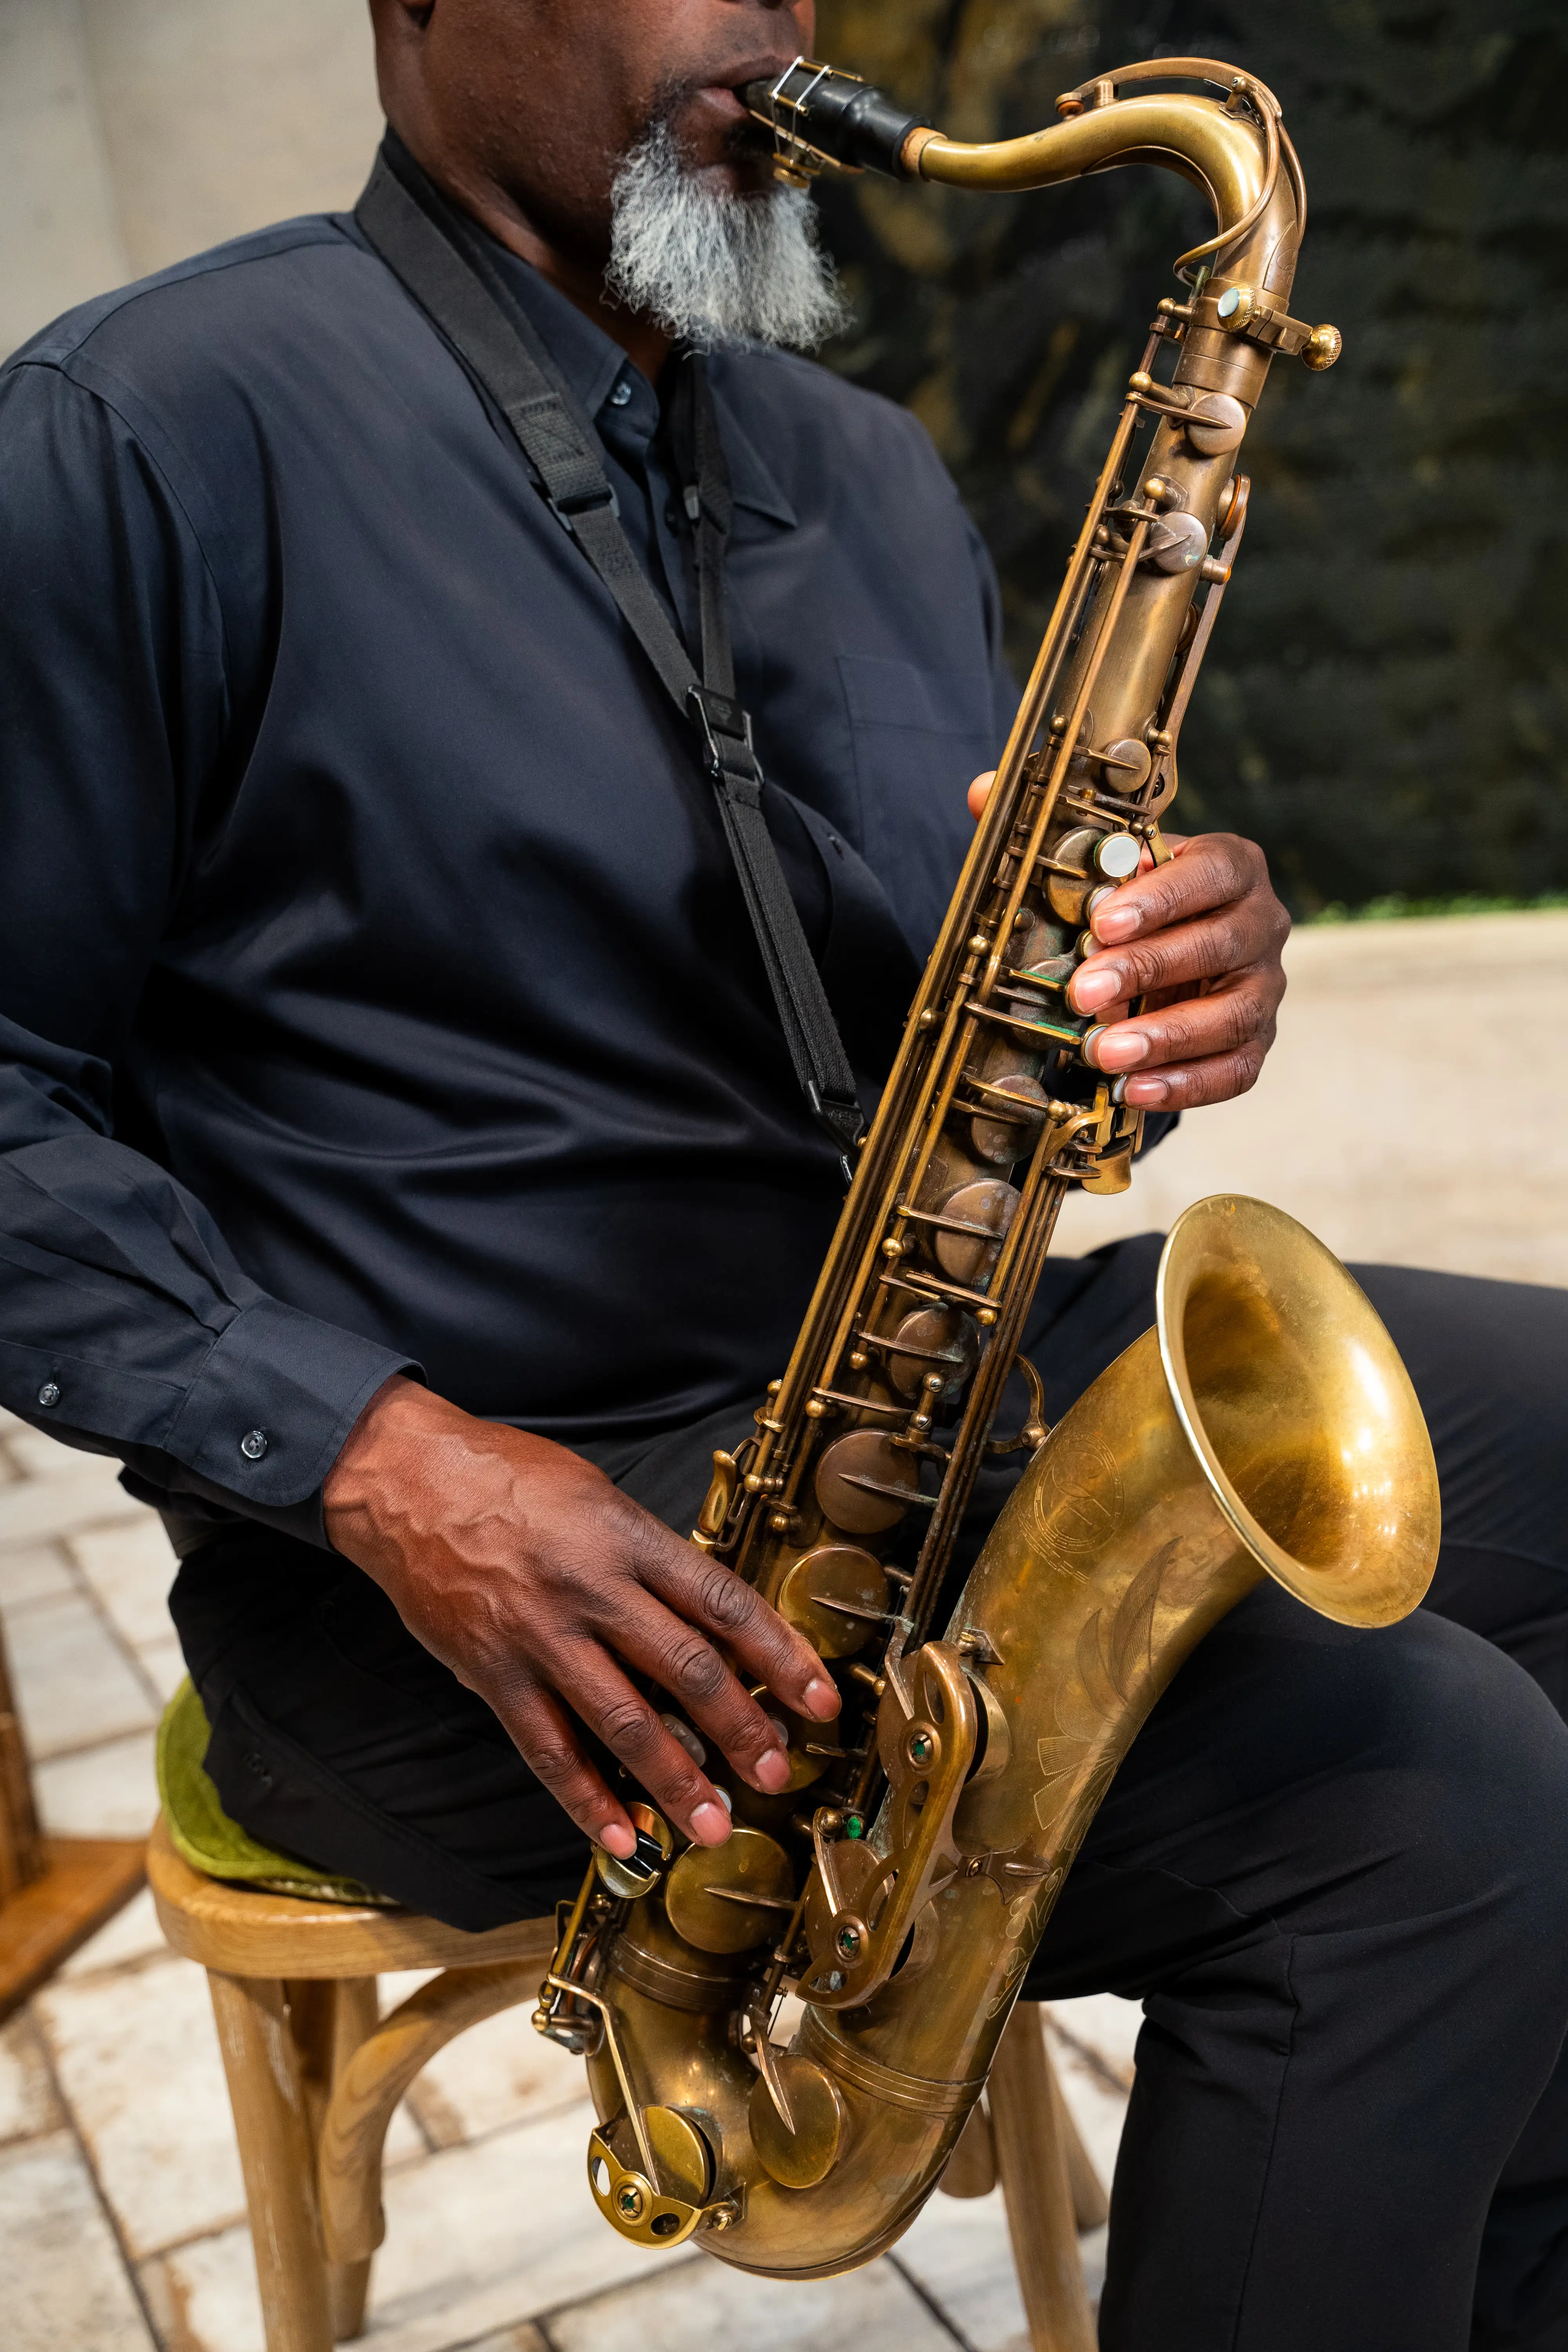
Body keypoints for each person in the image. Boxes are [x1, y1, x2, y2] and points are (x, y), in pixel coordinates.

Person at [1, 2, 1565, 2343]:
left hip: (893, 1400)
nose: (773, 30)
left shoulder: (861, 466)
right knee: (1428, 1805)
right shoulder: (144, 434)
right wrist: (381, 1460)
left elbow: (945, 1016)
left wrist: (1149, 993)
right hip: (486, 1575)